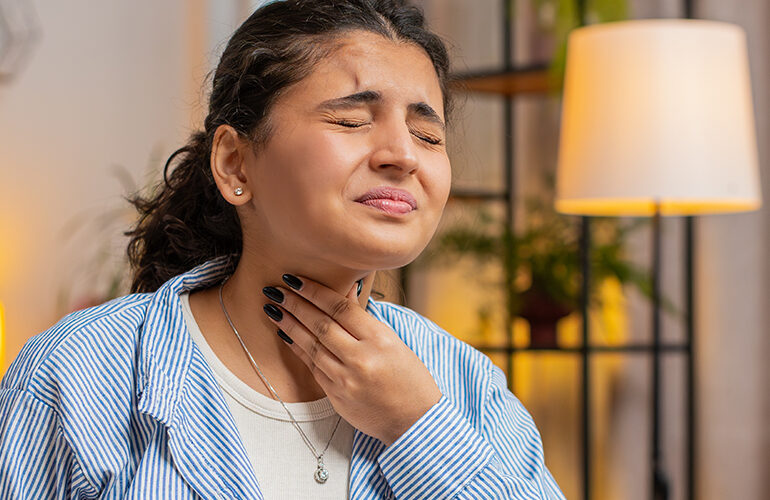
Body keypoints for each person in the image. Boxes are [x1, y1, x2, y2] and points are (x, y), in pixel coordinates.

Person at [0, 0, 565, 498]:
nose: (404, 155)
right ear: (235, 163)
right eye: (351, 119)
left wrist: (417, 424)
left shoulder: (464, 385)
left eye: (428, 135)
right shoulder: (78, 376)